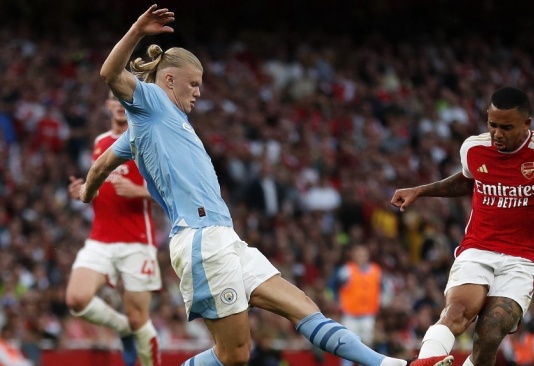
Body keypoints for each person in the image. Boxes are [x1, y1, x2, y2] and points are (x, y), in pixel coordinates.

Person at [80, 5, 413, 366]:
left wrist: (87, 192)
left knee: (303, 307)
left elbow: (100, 165)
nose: (199, 93)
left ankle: (386, 364)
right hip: (200, 238)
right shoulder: (152, 102)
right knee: (235, 356)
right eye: (194, 84)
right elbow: (109, 72)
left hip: (226, 237)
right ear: (170, 79)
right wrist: (138, 30)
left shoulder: (149, 127)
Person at [391, 86, 534, 366]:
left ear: (526, 124)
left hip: (523, 258)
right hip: (478, 248)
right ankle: (425, 363)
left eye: (506, 127)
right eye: (492, 124)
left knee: (489, 333)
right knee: (455, 312)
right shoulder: (473, 147)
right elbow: (468, 179)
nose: (497, 133)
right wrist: (421, 190)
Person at [67, 92, 161, 366]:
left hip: (136, 241)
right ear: (107, 104)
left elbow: (172, 190)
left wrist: (139, 191)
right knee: (76, 299)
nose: (119, 104)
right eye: (113, 99)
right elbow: (99, 186)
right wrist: (84, 190)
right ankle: (123, 329)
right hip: (100, 238)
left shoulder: (147, 138)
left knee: (139, 319)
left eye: (124, 98)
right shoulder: (100, 142)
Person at [332, 244, 384, 366]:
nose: (361, 257)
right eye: (358, 254)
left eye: (363, 254)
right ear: (353, 256)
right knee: (346, 345)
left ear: (368, 256)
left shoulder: (376, 270)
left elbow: (383, 289)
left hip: (368, 314)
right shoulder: (346, 270)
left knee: (366, 345)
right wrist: (336, 302)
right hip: (350, 314)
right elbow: (334, 286)